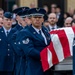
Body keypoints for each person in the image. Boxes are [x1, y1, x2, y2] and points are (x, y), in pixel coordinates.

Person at [14, 8, 51, 75]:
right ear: (30, 19)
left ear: (43, 19)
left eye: (39, 17)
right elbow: (30, 50)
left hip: (47, 69)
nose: (37, 19)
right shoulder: (25, 32)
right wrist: (45, 56)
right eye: (35, 17)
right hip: (34, 69)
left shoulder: (45, 31)